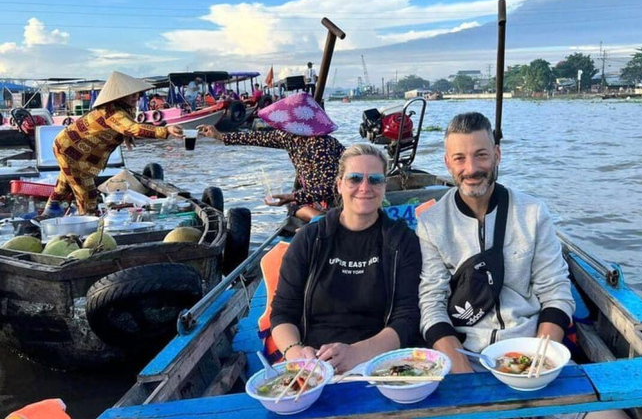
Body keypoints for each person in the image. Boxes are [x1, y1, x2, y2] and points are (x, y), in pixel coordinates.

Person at [417, 112, 575, 374]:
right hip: (465, 357)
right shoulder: (432, 224)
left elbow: (556, 292)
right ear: (447, 163)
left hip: (533, 348)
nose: (471, 169)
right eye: (460, 158)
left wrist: (536, 364)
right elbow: (432, 302)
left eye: (481, 154)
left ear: (497, 155)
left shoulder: (532, 212)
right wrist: (463, 373)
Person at [269, 143, 422, 373]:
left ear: (384, 186)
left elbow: (407, 318)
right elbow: (282, 311)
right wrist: (297, 353)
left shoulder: (402, 241)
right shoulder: (310, 240)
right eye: (354, 178)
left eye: (375, 179)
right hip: (314, 362)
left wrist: (357, 354)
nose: (365, 187)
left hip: (381, 362)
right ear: (339, 184)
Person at [42, 71, 184, 217]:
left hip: (72, 148)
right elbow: (132, 128)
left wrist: (129, 136)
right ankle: (88, 223)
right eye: (132, 94)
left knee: (64, 184)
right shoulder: (112, 112)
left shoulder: (124, 110)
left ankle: (50, 212)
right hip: (71, 150)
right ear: (120, 96)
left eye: (137, 94)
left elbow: (129, 128)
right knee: (87, 193)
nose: (136, 97)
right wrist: (165, 131)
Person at [197, 92, 344, 221]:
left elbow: (331, 187)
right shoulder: (290, 137)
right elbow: (257, 138)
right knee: (293, 205)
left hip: (334, 200)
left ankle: (322, 220)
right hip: (314, 197)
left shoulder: (319, 144)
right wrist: (220, 136)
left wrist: (294, 197)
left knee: (294, 205)